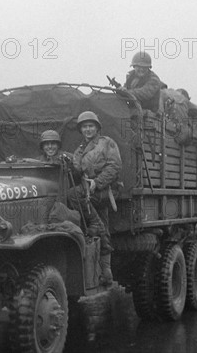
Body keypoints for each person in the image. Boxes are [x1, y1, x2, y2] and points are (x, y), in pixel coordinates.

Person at [68, 111, 122, 286]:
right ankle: (106, 272)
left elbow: (114, 166)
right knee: (102, 228)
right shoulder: (80, 149)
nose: (88, 129)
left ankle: (95, 226)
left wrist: (97, 182)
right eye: (84, 126)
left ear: (97, 127)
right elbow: (77, 171)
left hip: (104, 190)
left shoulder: (107, 143)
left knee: (73, 196)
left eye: (91, 126)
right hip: (89, 191)